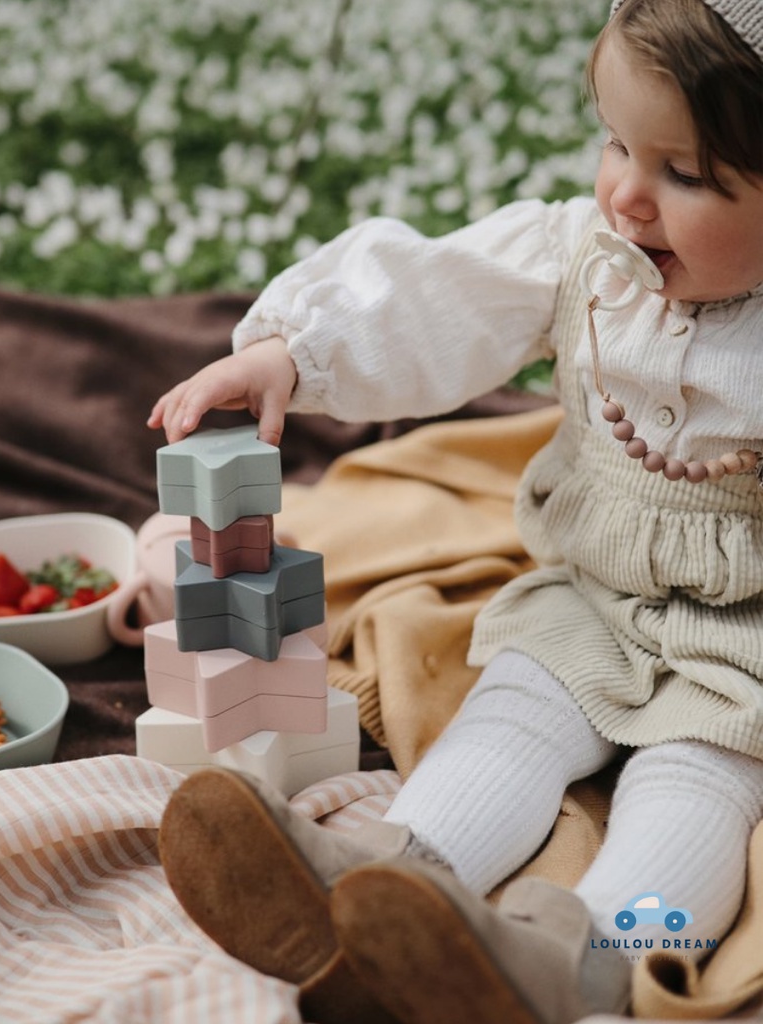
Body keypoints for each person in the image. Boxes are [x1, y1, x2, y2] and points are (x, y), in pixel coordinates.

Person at [147, 0, 763, 1021]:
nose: (627, 196)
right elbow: (437, 292)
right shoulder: (585, 257)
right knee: (509, 717)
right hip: (593, 595)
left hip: (743, 640)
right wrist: (293, 351)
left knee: (689, 791)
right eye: (615, 143)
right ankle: (380, 888)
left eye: (684, 174)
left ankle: (579, 962)